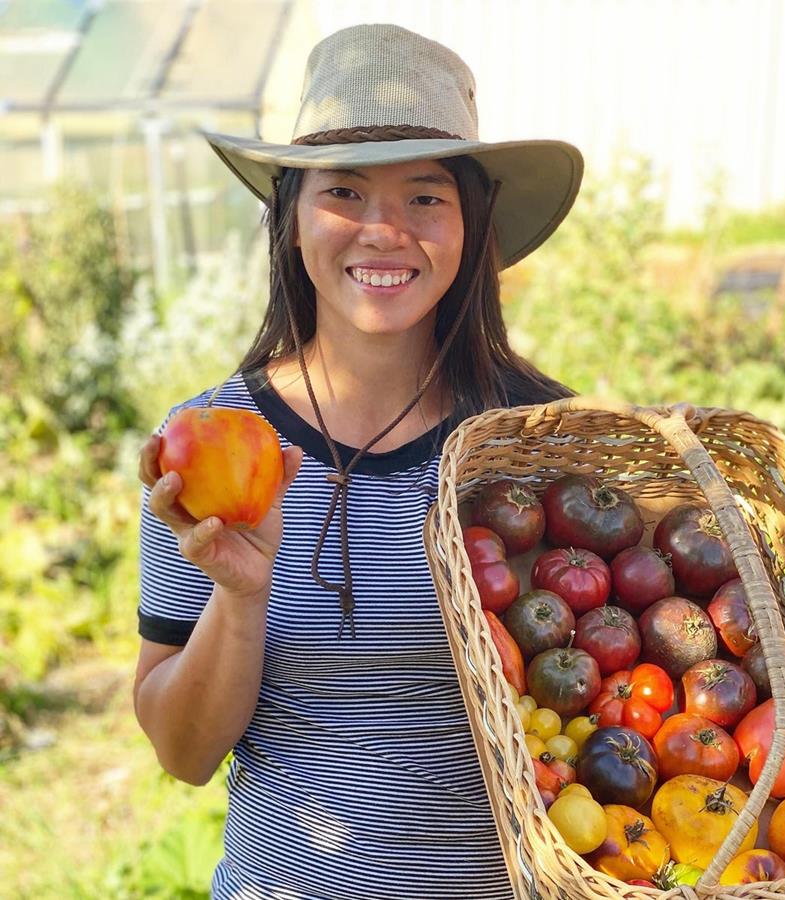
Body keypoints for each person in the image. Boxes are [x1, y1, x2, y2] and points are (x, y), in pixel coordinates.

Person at [133, 23, 583, 900]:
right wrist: (241, 594)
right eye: (343, 191)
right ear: (291, 218)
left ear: (470, 224)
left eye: (425, 197)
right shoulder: (208, 442)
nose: (382, 231)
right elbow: (183, 755)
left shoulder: (540, 442)